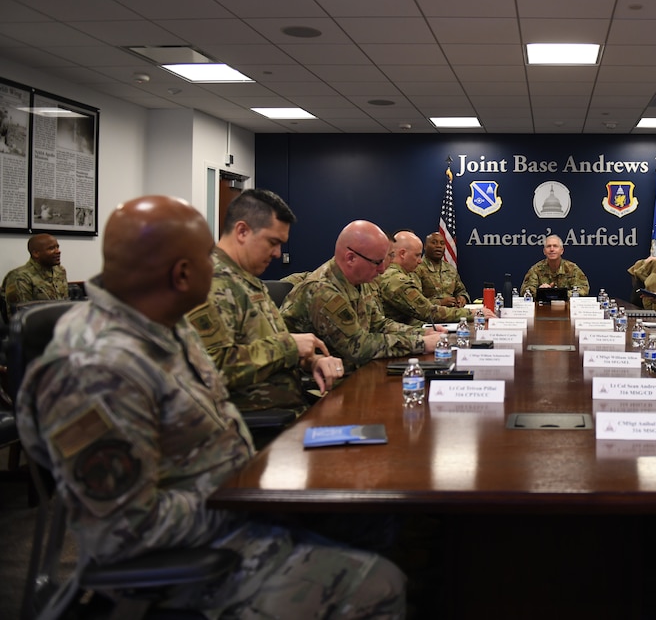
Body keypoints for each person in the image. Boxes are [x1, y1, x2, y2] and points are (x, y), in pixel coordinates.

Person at [16, 195, 404, 618]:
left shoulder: (164, 329)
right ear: (184, 273)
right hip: (204, 552)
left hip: (236, 502)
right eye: (207, 256)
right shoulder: (96, 369)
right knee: (380, 583)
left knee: (380, 516)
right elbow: (125, 532)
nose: (218, 263)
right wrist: (249, 497)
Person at [186, 189, 344, 415]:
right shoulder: (211, 284)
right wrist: (289, 346)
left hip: (290, 411)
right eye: (273, 242)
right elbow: (212, 368)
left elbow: (266, 350)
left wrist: (312, 362)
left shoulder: (246, 280)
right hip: (259, 428)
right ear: (242, 231)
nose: (278, 253)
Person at [280, 219, 444, 371]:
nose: (382, 270)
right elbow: (358, 346)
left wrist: (422, 333)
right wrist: (421, 343)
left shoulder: (360, 280)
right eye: (377, 262)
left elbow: (378, 324)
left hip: (352, 369)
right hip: (317, 380)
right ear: (351, 258)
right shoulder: (323, 290)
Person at [379, 230, 495, 326]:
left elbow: (460, 290)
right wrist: (473, 313)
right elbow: (428, 311)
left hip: (413, 329)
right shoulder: (397, 279)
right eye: (417, 255)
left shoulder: (401, 273)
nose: (419, 261)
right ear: (403, 254)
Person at [3, 233, 68, 318]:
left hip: (61, 323)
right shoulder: (20, 277)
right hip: (37, 327)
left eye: (57, 247)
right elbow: (21, 315)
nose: (58, 251)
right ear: (36, 253)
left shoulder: (60, 270)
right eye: (51, 248)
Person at [520, 234, 590, 296]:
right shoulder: (536, 269)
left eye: (555, 246)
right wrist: (540, 291)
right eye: (548, 246)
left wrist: (561, 294)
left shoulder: (572, 268)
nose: (552, 249)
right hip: (543, 308)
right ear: (544, 251)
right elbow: (524, 291)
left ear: (562, 251)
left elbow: (584, 289)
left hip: (566, 307)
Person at [418, 231, 470, 308]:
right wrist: (440, 302)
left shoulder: (450, 268)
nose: (439, 246)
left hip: (452, 314)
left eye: (442, 243)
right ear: (425, 246)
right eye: (434, 242)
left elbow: (461, 291)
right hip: (428, 316)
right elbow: (415, 301)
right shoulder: (417, 267)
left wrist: (462, 298)